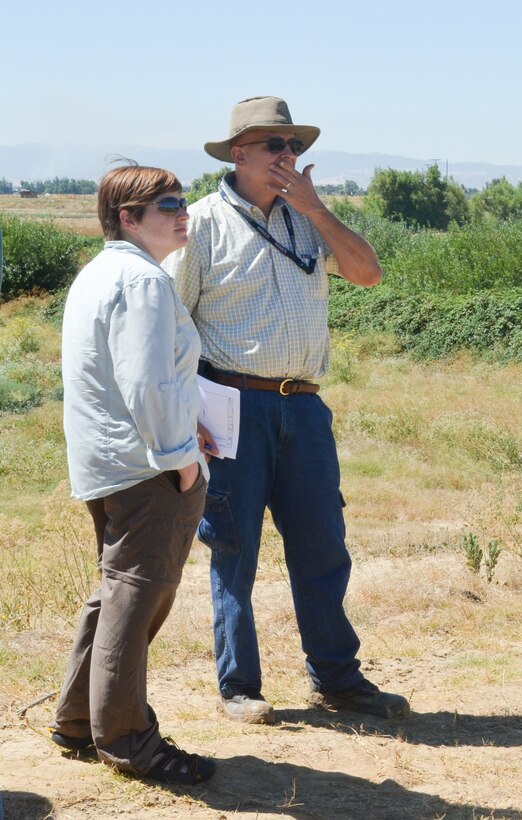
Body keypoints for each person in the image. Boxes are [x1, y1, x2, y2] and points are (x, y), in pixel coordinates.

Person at [163, 96, 408, 725]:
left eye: (293, 146)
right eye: (274, 145)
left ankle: (337, 679)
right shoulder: (201, 225)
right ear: (239, 154)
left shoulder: (309, 220)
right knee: (234, 545)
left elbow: (368, 273)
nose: (288, 156)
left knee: (323, 545)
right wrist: (185, 409)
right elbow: (169, 326)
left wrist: (316, 208)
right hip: (229, 402)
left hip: (302, 406)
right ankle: (238, 686)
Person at [51, 165, 215, 785]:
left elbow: (137, 380)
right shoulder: (142, 281)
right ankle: (127, 739)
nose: (183, 213)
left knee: (116, 592)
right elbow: (146, 383)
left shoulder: (99, 273)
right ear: (127, 216)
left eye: (182, 202)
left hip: (110, 462)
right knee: (137, 596)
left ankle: (76, 718)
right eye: (167, 204)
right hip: (145, 467)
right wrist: (180, 459)